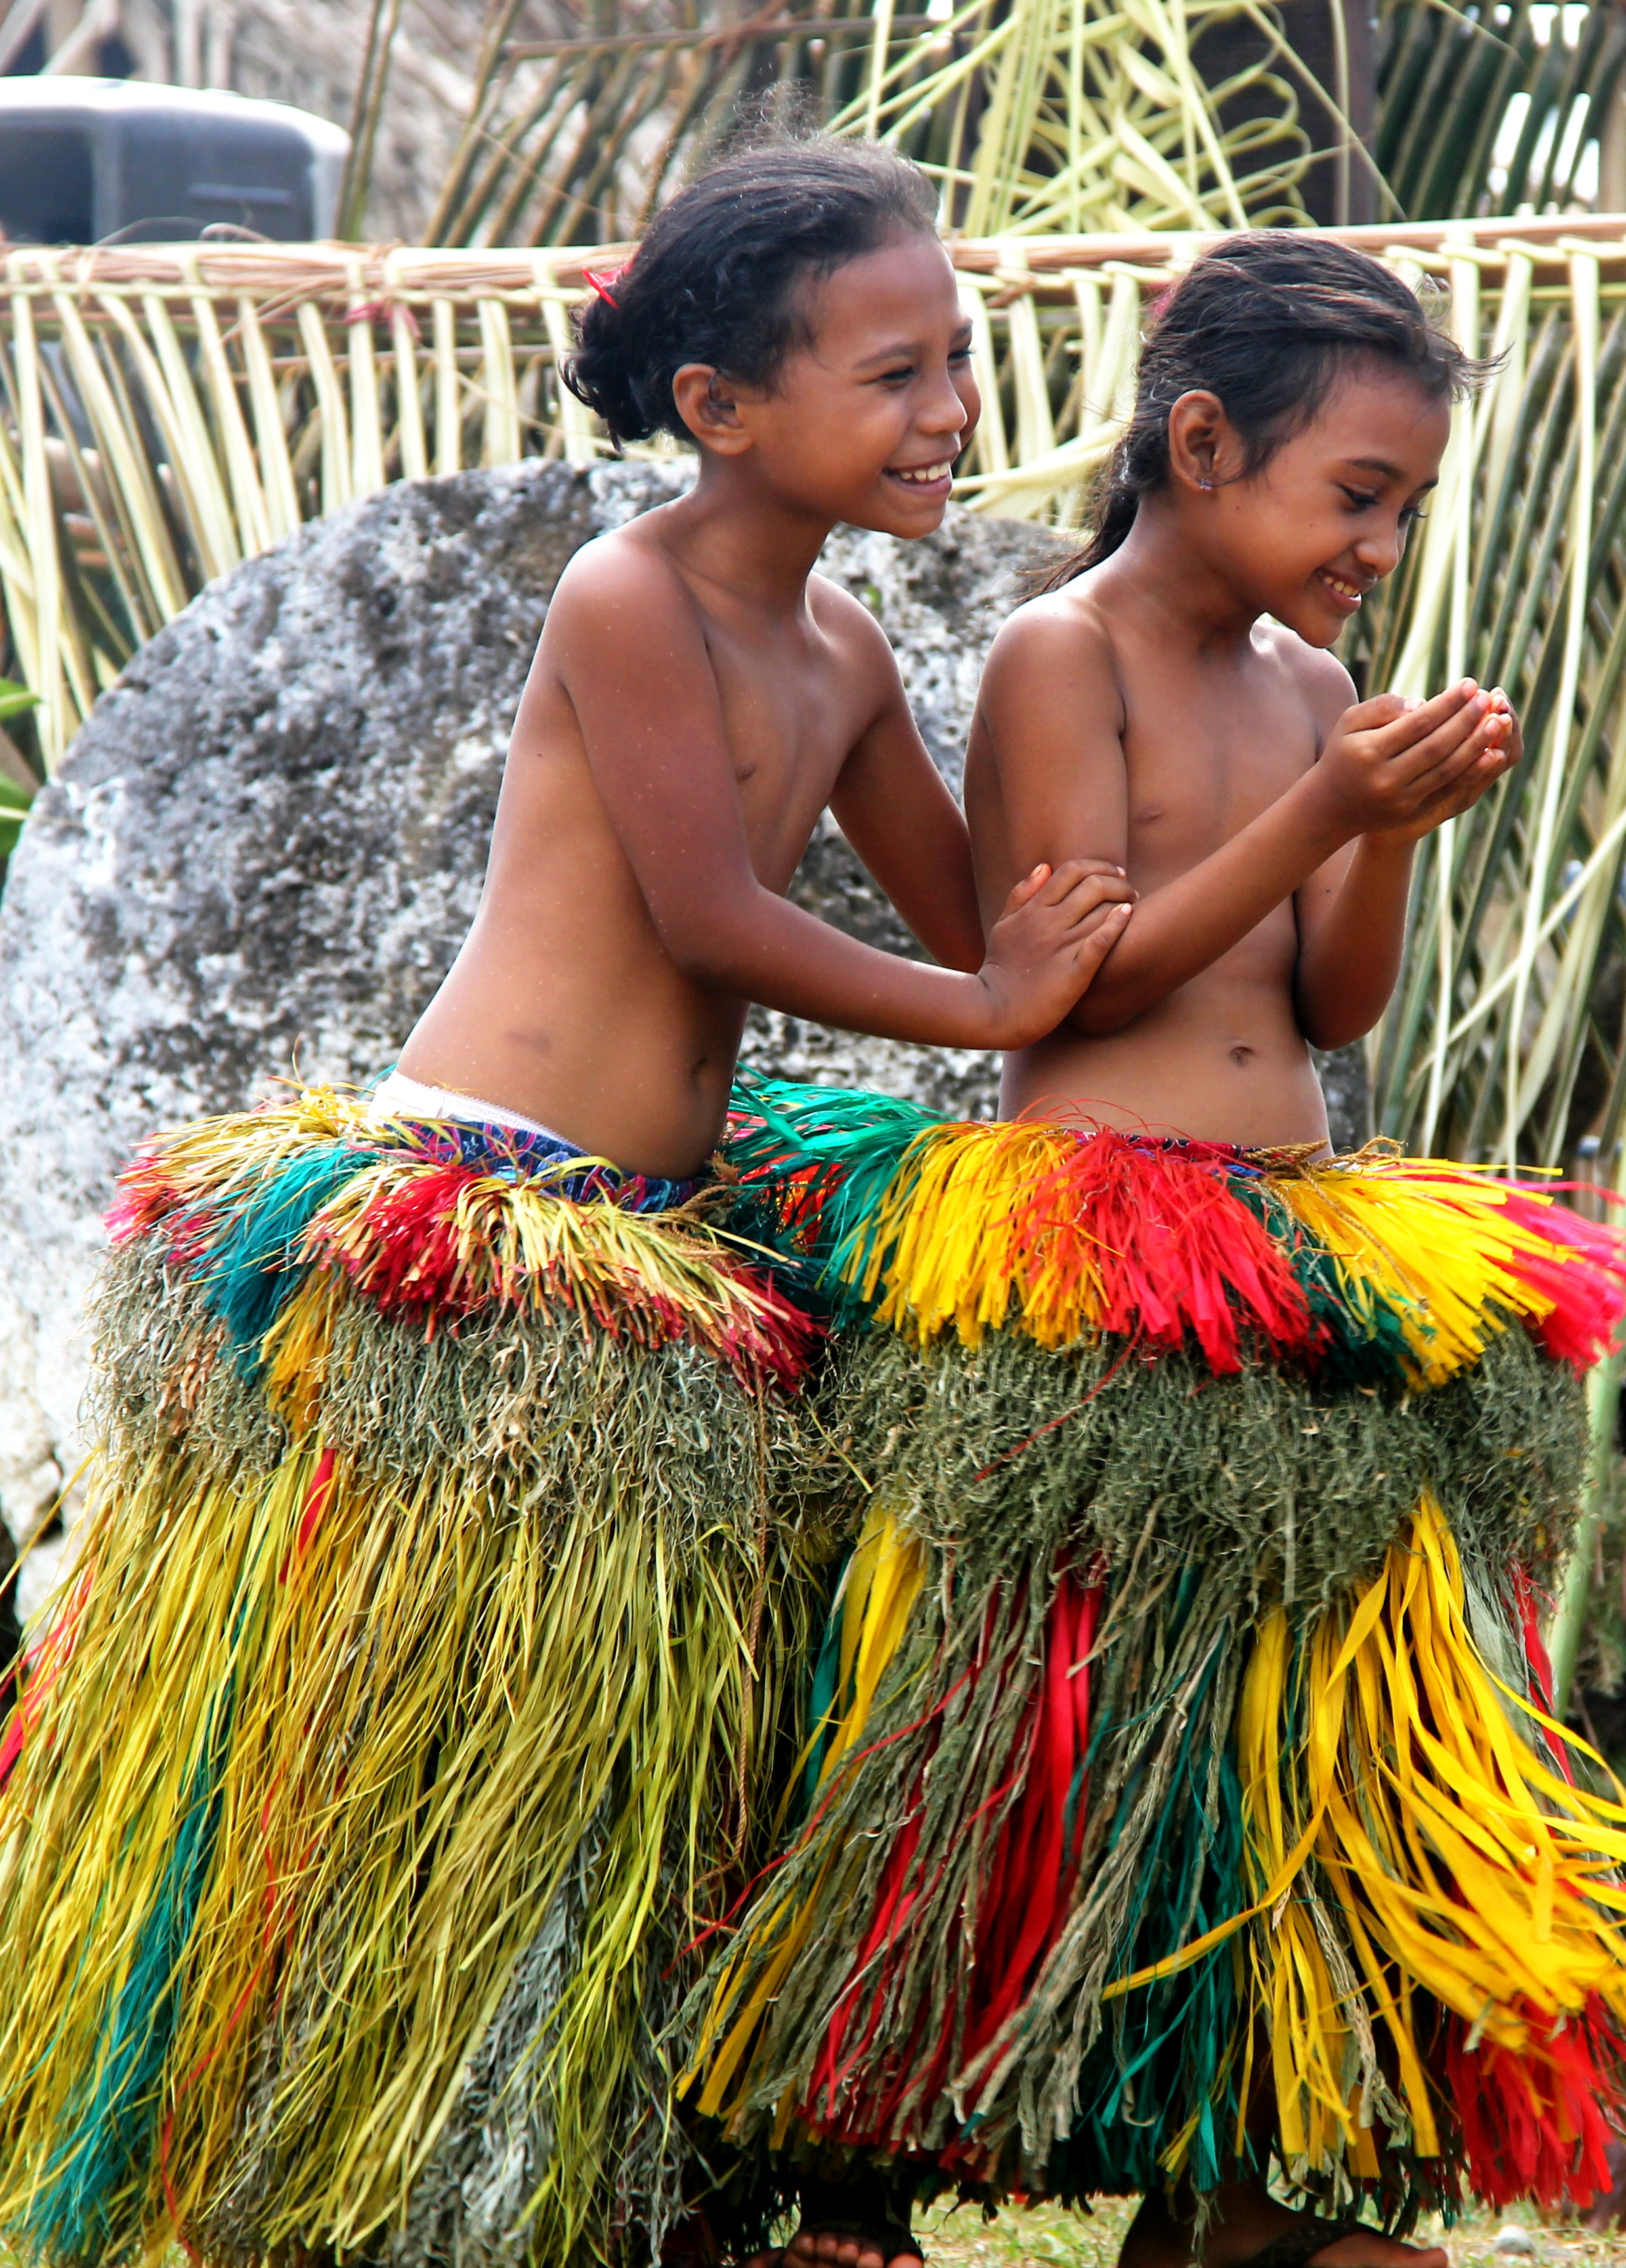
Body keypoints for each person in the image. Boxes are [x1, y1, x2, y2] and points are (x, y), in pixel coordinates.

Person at [0, 136, 1134, 2268]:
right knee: (402, 1734)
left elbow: (975, 907)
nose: (953, 411)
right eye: (901, 369)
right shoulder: (626, 597)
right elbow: (711, 912)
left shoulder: (835, 647)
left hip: (647, 1250)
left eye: (963, 362)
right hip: (481, 1209)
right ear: (722, 407)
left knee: (601, 1747)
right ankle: (351, 2159)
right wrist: (982, 990)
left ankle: (587, 2169)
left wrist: (1181, 814)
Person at [685, 234, 1626, 2268]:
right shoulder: (1065, 652)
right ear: (1201, 441)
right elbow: (1080, 992)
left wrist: (1380, 819)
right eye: (1357, 495)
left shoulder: (1315, 691)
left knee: (1257, 1715)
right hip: (1091, 1254)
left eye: (1409, 509)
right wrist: (1317, 814)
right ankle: (862, 2165)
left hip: (1283, 1237)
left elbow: (1340, 1003)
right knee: (1017, 1712)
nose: (1381, 544)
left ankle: (1228, 2192)